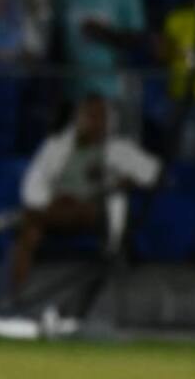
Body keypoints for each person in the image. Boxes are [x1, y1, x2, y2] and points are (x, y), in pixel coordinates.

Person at [10, 94, 160, 298]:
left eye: (99, 116)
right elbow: (35, 182)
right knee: (29, 233)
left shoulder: (117, 149)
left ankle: (17, 218)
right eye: (89, 115)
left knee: (46, 215)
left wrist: (121, 182)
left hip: (91, 210)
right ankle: (16, 297)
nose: (93, 122)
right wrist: (44, 203)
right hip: (56, 205)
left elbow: (153, 173)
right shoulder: (57, 145)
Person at [156, 0, 195, 160]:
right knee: (179, 156)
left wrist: (181, 53)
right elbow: (162, 54)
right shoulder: (176, 17)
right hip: (178, 96)